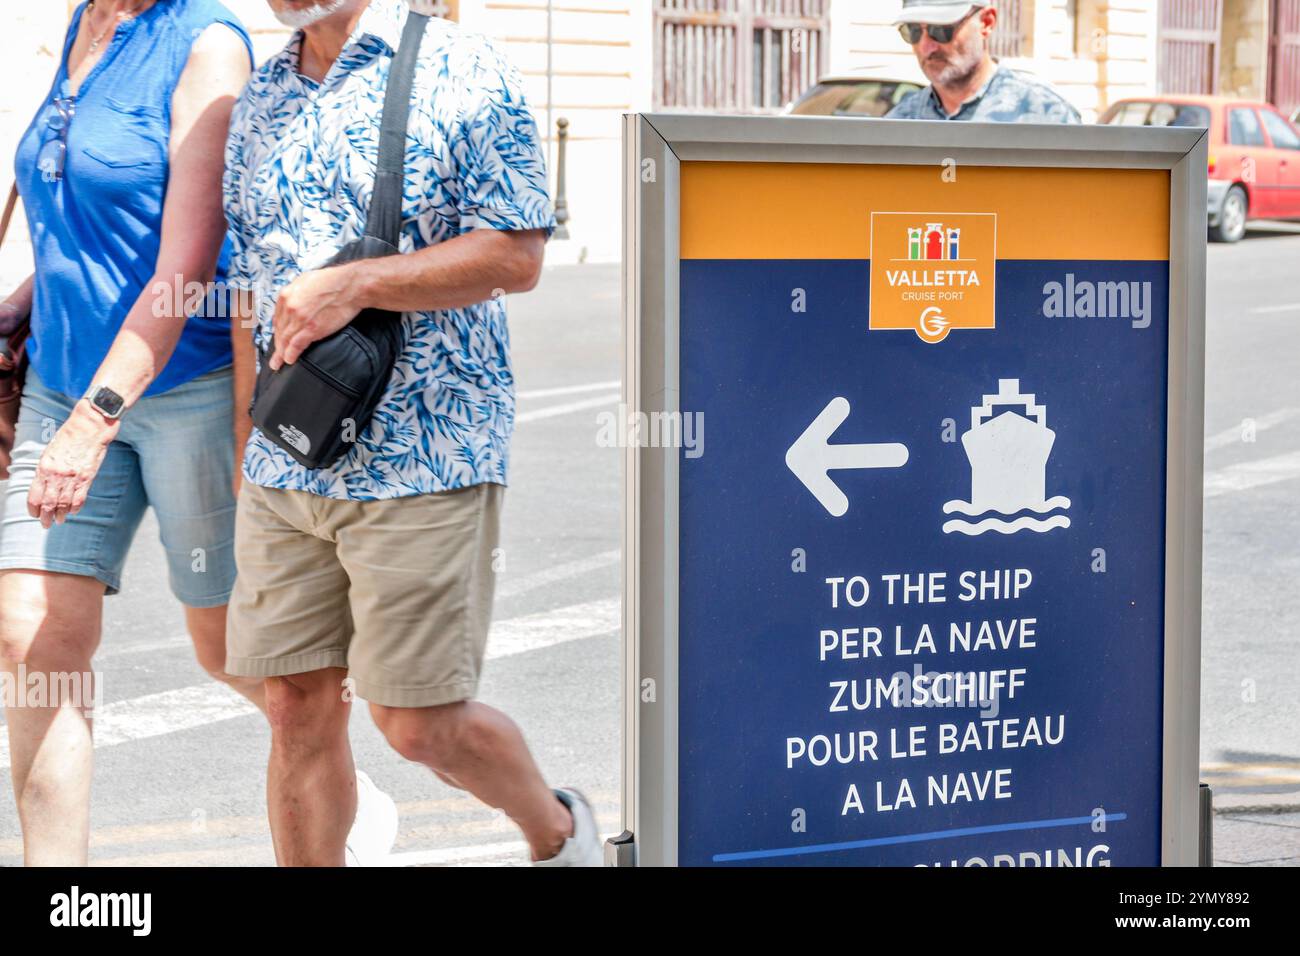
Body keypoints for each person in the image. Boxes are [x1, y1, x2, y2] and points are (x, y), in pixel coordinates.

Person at [0, 0, 394, 867]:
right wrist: (30, 300)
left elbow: (185, 263)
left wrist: (95, 421)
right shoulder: (81, 24)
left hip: (187, 390)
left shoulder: (207, 44)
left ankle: (335, 785)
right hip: (62, 381)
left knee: (229, 651)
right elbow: (83, 211)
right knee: (31, 637)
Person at [222, 0, 602, 867]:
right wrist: (250, 443)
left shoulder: (464, 66)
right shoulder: (263, 94)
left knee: (418, 722)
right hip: (288, 458)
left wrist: (357, 284)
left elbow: (516, 252)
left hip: (424, 449)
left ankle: (556, 827)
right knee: (293, 706)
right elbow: (251, 285)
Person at [886, 1, 1081, 123]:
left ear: (986, 22)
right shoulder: (899, 122)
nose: (926, 46)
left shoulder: (1046, 116)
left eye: (941, 29)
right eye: (913, 31)